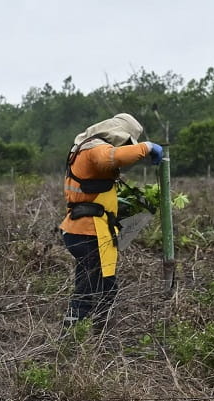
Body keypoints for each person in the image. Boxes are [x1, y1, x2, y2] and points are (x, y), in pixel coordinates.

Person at [60, 113, 163, 331]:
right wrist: (146, 147)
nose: (127, 146)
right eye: (127, 142)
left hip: (89, 230)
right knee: (91, 290)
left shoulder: (86, 147)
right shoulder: (95, 148)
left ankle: (94, 335)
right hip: (87, 232)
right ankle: (78, 338)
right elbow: (112, 157)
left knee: (99, 287)